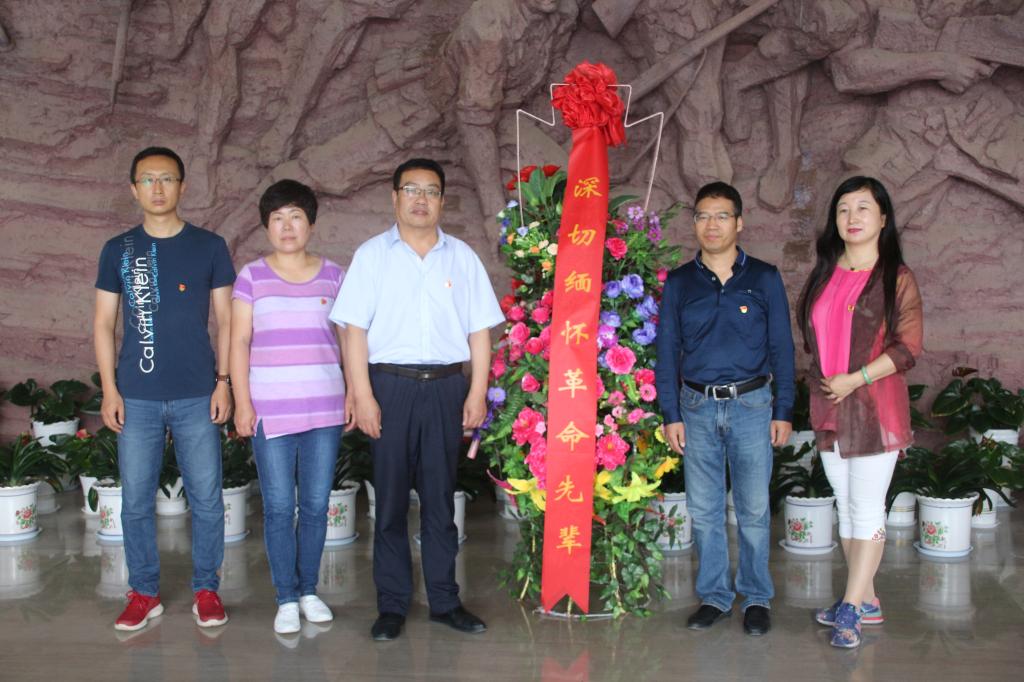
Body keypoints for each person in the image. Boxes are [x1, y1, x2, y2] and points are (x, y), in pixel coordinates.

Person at [330, 158, 503, 641]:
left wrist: (476, 392)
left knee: (440, 499)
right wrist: (362, 394)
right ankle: (391, 605)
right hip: (389, 387)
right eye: (411, 190)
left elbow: (479, 332)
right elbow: (355, 331)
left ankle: (445, 601)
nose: (421, 199)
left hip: (446, 388)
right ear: (395, 198)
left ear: (442, 200)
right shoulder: (372, 255)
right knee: (388, 501)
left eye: (430, 191)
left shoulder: (462, 257)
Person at [94, 146, 234, 631]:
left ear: (183, 187)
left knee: (207, 499)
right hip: (136, 396)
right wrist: (109, 390)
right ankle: (144, 593)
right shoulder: (118, 249)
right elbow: (103, 323)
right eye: (148, 180)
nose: (157, 188)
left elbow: (227, 320)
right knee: (135, 501)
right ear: (134, 189)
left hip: (198, 393)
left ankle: (207, 590)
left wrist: (224, 382)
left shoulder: (210, 246)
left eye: (167, 179)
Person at [654, 181, 795, 636]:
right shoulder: (679, 283)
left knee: (753, 509)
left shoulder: (764, 278)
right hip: (695, 407)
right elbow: (666, 351)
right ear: (694, 223)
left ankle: (755, 597)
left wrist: (784, 409)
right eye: (702, 216)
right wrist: (671, 414)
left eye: (721, 216)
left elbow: (782, 347)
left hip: (752, 405)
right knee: (705, 510)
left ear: (739, 222)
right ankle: (714, 596)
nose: (711, 225)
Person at [795, 176, 923, 648]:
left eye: (863, 208)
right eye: (843, 208)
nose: (852, 217)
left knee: (867, 508)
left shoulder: (896, 277)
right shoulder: (824, 273)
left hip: (873, 407)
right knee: (847, 506)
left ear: (883, 218)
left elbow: (907, 348)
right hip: (830, 406)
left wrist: (856, 378)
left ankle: (849, 606)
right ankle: (865, 599)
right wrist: (831, 383)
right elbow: (813, 341)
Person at [229, 179, 351, 634]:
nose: (287, 226)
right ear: (266, 226)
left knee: (316, 505)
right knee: (280, 507)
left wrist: (355, 394)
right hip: (270, 411)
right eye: (277, 218)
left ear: (311, 224)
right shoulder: (251, 276)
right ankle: (285, 597)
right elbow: (238, 341)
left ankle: (308, 591)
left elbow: (349, 340)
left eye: (296, 216)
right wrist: (242, 402)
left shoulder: (335, 275)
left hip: (324, 410)